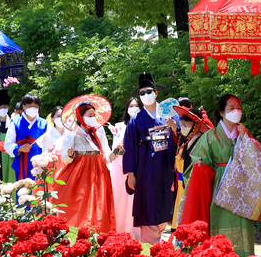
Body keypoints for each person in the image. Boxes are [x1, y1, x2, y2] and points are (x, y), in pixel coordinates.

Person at [185, 94, 261, 257]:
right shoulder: (210, 136)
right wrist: (200, 165)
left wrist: (248, 140)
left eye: (239, 108)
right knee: (220, 224)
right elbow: (197, 160)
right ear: (222, 112)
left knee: (243, 224)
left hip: (241, 188)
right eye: (232, 108)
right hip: (219, 186)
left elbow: (260, 161)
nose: (236, 111)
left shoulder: (245, 134)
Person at [123, 72, 178, 244]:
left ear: (156, 92)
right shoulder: (136, 120)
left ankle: (160, 238)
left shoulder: (170, 115)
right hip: (145, 168)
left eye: (149, 91)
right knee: (147, 205)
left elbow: (182, 140)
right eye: (142, 93)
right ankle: (149, 244)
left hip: (167, 167)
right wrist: (130, 173)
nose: (146, 95)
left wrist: (175, 130)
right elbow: (129, 147)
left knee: (165, 204)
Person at [51, 97, 118, 232]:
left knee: (99, 202)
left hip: (99, 171)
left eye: (94, 115)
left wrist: (117, 151)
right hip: (80, 172)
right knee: (80, 202)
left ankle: (98, 231)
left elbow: (105, 156)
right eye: (90, 116)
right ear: (81, 117)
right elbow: (65, 159)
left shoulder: (99, 131)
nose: (93, 118)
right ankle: (79, 230)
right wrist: (69, 153)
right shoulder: (72, 133)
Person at [171, 106, 212, 230]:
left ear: (196, 125)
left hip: (192, 186)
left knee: (190, 219)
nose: (182, 124)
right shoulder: (185, 141)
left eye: (186, 121)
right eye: (181, 120)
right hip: (181, 185)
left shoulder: (201, 143)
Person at [109, 98, 142, 239]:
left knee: (136, 200)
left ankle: (135, 232)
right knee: (120, 199)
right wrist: (119, 148)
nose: (133, 108)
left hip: (139, 166)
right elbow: (114, 154)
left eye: (136, 106)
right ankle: (118, 230)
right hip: (120, 167)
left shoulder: (144, 124)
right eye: (131, 106)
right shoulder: (119, 127)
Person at [4, 94, 48, 181]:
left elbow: (51, 144)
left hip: (40, 164)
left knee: (40, 190)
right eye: (30, 106)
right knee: (23, 190)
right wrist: (20, 148)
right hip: (22, 163)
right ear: (23, 107)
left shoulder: (44, 124)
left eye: (35, 106)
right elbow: (8, 145)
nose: (33, 108)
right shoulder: (15, 123)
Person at [42, 105, 74, 179]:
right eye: (58, 116)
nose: (60, 118)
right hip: (53, 166)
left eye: (63, 116)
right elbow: (44, 155)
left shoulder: (70, 134)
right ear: (52, 119)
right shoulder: (47, 135)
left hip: (68, 163)